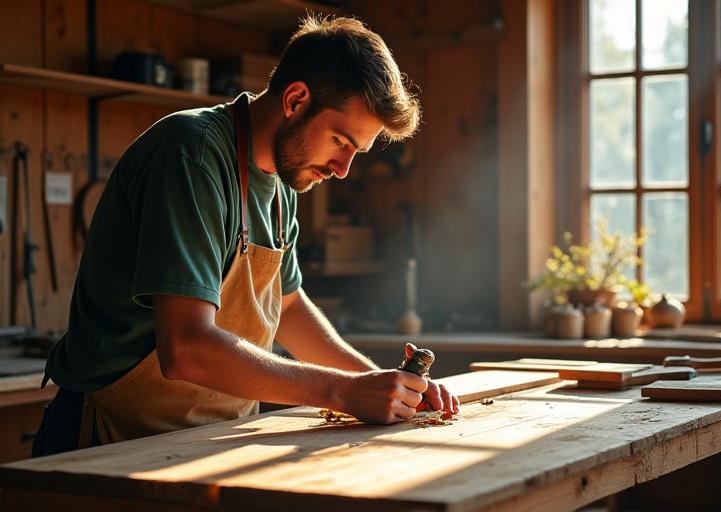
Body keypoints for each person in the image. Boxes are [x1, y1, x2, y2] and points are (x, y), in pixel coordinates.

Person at [31, 15, 459, 457]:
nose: (342, 168)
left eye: (356, 152)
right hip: (112, 437)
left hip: (209, 438)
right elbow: (186, 347)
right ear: (295, 99)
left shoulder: (282, 180)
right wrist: (344, 392)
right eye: (340, 141)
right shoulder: (192, 154)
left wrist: (387, 387)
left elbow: (289, 308)